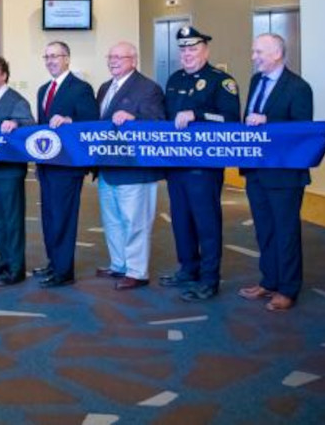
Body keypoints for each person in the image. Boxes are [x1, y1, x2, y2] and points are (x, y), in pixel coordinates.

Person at [160, 26, 241, 302]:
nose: (187, 54)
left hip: (204, 168)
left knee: (206, 223)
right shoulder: (173, 79)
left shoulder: (222, 81)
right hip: (177, 165)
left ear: (205, 50)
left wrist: (197, 114)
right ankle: (188, 268)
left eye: (193, 49)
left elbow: (231, 119)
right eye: (183, 49)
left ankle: (209, 278)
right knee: (180, 220)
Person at [238, 34, 313, 312]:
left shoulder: (299, 87)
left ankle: (288, 289)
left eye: (258, 51)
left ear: (277, 54)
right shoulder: (256, 81)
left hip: (284, 174)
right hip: (256, 170)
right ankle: (269, 280)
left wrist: (268, 121)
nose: (253, 56)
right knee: (264, 230)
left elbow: (302, 129)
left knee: (286, 231)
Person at [93, 41, 166, 291]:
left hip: (135, 169)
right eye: (110, 56)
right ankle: (119, 264)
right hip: (108, 168)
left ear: (133, 60)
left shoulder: (148, 88)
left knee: (135, 222)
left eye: (119, 57)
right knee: (112, 220)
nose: (113, 61)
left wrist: (135, 118)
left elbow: (158, 122)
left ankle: (137, 271)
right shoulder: (104, 88)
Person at [33, 41, 100, 288]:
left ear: (67, 59)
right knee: (49, 216)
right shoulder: (42, 90)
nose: (51, 61)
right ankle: (53, 262)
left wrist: (70, 120)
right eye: (47, 56)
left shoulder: (80, 88)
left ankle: (64, 270)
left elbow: (91, 122)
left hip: (68, 166)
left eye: (56, 56)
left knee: (63, 217)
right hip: (47, 164)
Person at [0, 55, 35, 286]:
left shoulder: (16, 100)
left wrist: (17, 124)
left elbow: (31, 124)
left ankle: (16, 268)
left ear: (4, 75)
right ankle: (4, 259)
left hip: (10, 171)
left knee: (12, 220)